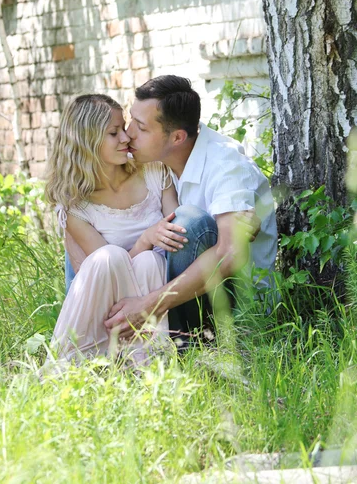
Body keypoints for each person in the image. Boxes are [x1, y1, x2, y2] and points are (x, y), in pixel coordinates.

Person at [101, 75, 278, 338]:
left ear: (177, 137)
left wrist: (148, 305)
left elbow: (230, 255)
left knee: (189, 222)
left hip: (239, 307)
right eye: (130, 121)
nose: (128, 134)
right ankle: (90, 340)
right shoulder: (156, 163)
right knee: (92, 213)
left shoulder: (226, 166)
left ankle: (185, 348)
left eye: (141, 127)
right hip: (186, 290)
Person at [45, 93, 188, 364]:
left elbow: (176, 229)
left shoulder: (155, 172)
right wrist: (145, 239)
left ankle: (147, 364)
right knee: (111, 256)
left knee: (148, 261)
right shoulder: (76, 205)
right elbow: (107, 272)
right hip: (107, 305)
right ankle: (75, 361)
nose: (126, 138)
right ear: (87, 142)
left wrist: (148, 248)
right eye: (114, 132)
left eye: (123, 128)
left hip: (155, 290)